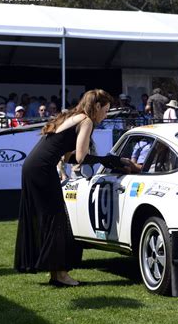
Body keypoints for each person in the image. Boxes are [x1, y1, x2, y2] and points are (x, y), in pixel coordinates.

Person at [14, 89, 129, 287]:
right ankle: (60, 274)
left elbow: (68, 157)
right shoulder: (86, 121)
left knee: (51, 219)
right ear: (97, 106)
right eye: (105, 110)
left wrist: (106, 160)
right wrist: (110, 161)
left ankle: (55, 272)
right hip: (41, 169)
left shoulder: (74, 117)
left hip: (33, 167)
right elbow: (81, 157)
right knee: (56, 220)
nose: (105, 115)